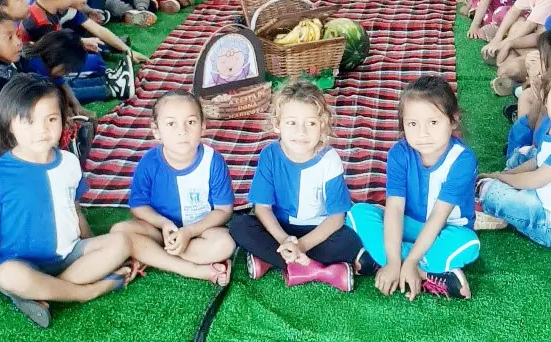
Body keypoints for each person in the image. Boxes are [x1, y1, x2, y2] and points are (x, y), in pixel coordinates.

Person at [0, 74, 137, 328]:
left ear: (64, 119)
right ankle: (87, 291)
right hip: (22, 262)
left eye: (51, 119)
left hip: (69, 253)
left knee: (121, 242)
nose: (42, 130)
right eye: (28, 121)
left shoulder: (69, 162)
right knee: (7, 276)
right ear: (9, 125)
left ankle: (44, 292)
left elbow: (75, 210)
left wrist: (94, 248)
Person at [348, 76, 480, 300]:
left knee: (469, 244)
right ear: (403, 125)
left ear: (453, 120)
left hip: (446, 230)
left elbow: (438, 216)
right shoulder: (399, 154)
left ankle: (398, 265)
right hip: (409, 224)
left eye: (433, 122)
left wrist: (409, 261)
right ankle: (425, 272)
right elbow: (395, 208)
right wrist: (393, 262)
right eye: (412, 124)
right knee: (357, 214)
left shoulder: (463, 160)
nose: (423, 133)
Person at [229, 81, 369, 292]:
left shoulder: (330, 160)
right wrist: (284, 240)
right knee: (240, 226)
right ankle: (318, 270)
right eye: (292, 123)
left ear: (322, 125)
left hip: (317, 231)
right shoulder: (269, 155)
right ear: (277, 124)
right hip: (280, 229)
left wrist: (301, 246)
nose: (301, 132)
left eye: (310, 123)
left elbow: (336, 218)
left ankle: (272, 260)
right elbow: (262, 208)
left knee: (350, 241)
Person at [111, 90, 235, 286]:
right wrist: (163, 224)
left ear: (203, 126)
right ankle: (192, 268)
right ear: (156, 130)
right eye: (171, 124)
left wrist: (189, 232)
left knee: (225, 243)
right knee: (119, 230)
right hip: (159, 231)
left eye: (190, 122)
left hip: (200, 231)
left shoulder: (213, 161)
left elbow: (224, 210)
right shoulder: (149, 163)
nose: (182, 131)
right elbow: (138, 206)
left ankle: (152, 255)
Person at [17, 0, 136, 100]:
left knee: (84, 62)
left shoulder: (51, 9)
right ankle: (111, 88)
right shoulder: (40, 21)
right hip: (38, 75)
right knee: (86, 68)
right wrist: (80, 44)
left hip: (46, 69)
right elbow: (55, 61)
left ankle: (110, 80)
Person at [478, 73, 551, 248]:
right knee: (524, 154)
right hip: (540, 191)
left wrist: (500, 178)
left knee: (492, 192)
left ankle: (487, 199)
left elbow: (535, 179)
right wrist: (503, 174)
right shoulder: (548, 123)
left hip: (546, 221)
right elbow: (536, 161)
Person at [25, 29, 133, 105]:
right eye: (65, 70)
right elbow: (49, 97)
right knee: (59, 94)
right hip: (36, 96)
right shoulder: (36, 69)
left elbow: (61, 82)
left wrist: (76, 104)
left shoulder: (46, 60)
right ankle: (111, 90)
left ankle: (107, 80)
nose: (65, 73)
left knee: (66, 85)